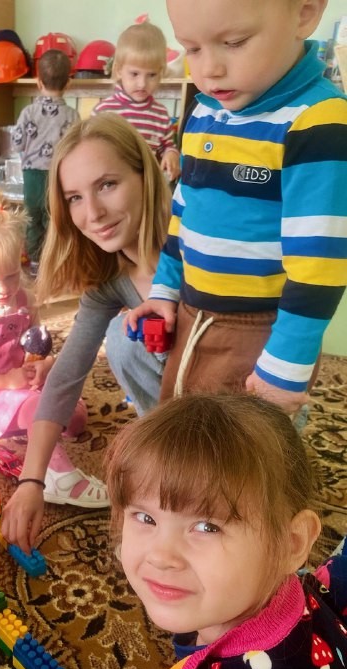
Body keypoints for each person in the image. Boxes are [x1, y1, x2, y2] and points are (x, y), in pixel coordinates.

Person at [87, 392, 347, 669]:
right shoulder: (297, 592)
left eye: (207, 526)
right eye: (145, 517)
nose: (161, 555)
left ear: (292, 543)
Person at [127, 0, 347, 416]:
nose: (209, 69)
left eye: (234, 42)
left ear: (304, 13)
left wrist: (284, 369)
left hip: (259, 332)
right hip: (193, 315)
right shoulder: (205, 110)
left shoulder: (318, 121)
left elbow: (319, 266)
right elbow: (184, 215)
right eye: (192, 49)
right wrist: (164, 291)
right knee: (183, 428)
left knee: (239, 449)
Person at [1, 114, 172, 552]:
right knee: (124, 335)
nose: (92, 213)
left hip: (247, 405)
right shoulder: (111, 280)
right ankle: (172, 442)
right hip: (182, 409)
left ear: (145, 174)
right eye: (75, 197)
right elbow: (66, 377)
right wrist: (32, 480)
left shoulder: (201, 250)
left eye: (107, 185)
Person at [0, 189, 106, 508]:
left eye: (12, 275)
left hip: (21, 388)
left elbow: (37, 346)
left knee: (76, 416)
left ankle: (37, 422)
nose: (3, 289)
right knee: (40, 408)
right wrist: (4, 381)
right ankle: (57, 476)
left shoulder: (25, 300)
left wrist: (44, 365)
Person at [12, 49, 80, 274]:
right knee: (54, 219)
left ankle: (35, 262)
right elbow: (77, 149)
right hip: (59, 175)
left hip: (32, 174)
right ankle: (54, 261)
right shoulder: (72, 115)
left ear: (39, 82)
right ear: (68, 83)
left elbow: (17, 143)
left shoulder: (28, 112)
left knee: (32, 218)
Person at [92, 22, 180, 181]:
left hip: (145, 186)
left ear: (161, 72)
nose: (142, 84)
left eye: (151, 75)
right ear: (119, 70)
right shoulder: (103, 112)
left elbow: (167, 146)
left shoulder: (160, 114)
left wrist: (171, 154)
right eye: (134, 74)